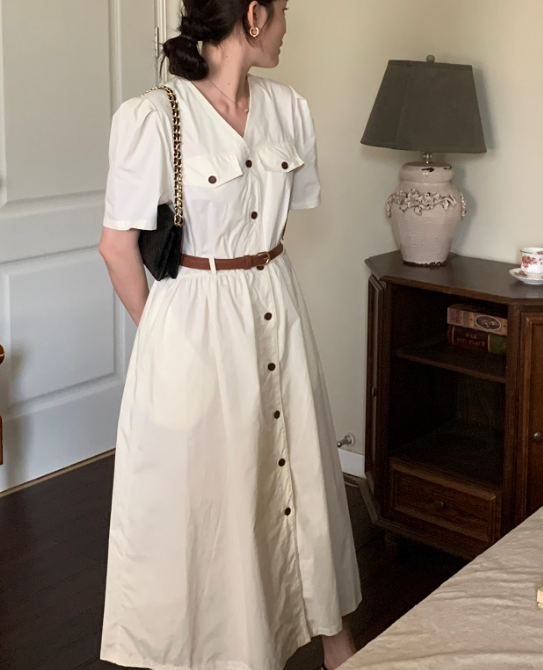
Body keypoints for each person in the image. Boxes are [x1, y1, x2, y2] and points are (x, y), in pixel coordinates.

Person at [98, 1, 362, 669]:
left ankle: (334, 639)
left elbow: (277, 219)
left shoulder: (288, 109)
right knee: (214, 492)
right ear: (253, 14)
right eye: (283, 13)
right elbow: (116, 247)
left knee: (298, 471)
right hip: (195, 320)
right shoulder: (152, 117)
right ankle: (232, 647)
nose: (287, 27)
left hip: (274, 302)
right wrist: (165, 338)